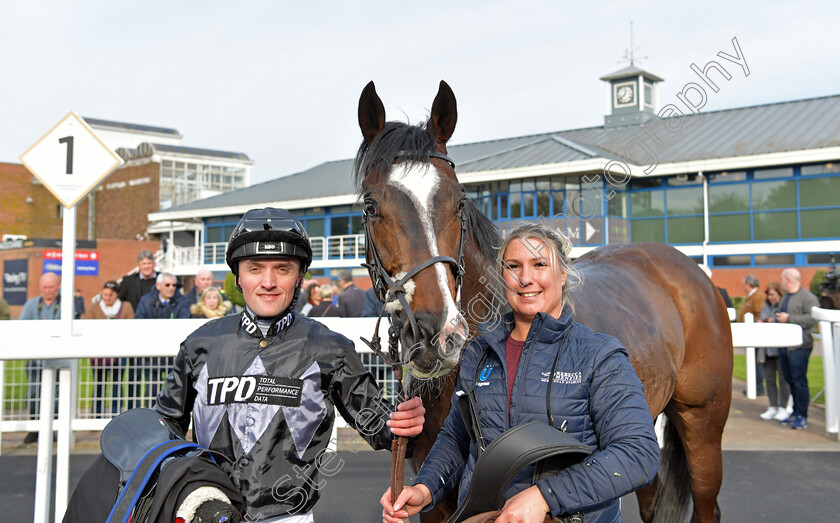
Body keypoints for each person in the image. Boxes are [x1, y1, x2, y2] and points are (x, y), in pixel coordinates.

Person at [154, 207, 425, 522]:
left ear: (300, 276)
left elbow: (381, 431)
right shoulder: (199, 345)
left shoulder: (331, 348)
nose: (268, 282)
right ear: (237, 276)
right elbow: (163, 430)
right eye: (255, 268)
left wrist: (407, 422)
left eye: (282, 268)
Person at [382, 223, 658, 523]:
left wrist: (544, 497)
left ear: (563, 275)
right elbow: (458, 439)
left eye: (539, 265)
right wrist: (425, 488)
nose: (526, 278)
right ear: (503, 277)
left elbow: (637, 454)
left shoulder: (600, 356)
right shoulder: (477, 354)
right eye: (513, 266)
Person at [131, 272, 190, 408]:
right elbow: (139, 323)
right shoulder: (146, 301)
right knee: (151, 392)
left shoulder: (182, 301)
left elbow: (183, 324)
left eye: (174, 285)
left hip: (175, 355)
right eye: (167, 285)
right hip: (152, 355)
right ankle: (150, 421)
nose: (171, 288)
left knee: (176, 393)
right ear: (158, 286)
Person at [19, 272, 63, 443]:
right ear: (40, 288)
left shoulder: (65, 304)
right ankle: (34, 428)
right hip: (35, 358)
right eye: (45, 287)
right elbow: (23, 327)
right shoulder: (31, 304)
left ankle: (52, 429)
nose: (48, 290)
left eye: (51, 287)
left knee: (57, 394)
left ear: (58, 286)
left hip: (58, 358)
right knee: (32, 393)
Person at [776, 268, 819, 430]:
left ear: (788, 279)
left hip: (800, 347)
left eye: (781, 279)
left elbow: (812, 318)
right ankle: (795, 412)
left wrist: (789, 318)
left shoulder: (808, 298)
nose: (780, 282)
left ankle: (802, 415)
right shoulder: (785, 297)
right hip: (785, 347)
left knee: (799, 381)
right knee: (790, 380)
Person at [83, 281, 135, 415]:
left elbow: (131, 326)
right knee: (99, 384)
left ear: (116, 294)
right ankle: (97, 413)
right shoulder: (94, 307)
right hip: (99, 352)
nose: (107, 298)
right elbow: (88, 327)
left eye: (111, 295)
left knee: (117, 384)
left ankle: (115, 413)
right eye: (105, 294)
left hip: (119, 351)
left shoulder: (126, 307)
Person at [757, 281, 790, 421]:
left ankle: (783, 406)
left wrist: (774, 321)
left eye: (773, 294)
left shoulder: (783, 305)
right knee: (769, 379)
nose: (770, 297)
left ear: (779, 293)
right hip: (767, 348)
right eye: (769, 295)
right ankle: (773, 406)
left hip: (780, 347)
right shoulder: (766, 306)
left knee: (783, 379)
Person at [738, 275, 767, 396]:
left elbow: (760, 314)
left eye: (743, 283)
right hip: (749, 333)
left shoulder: (758, 297)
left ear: (748, 284)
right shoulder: (750, 297)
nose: (743, 286)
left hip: (755, 334)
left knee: (756, 361)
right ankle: (755, 386)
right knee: (753, 361)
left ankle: (759, 387)